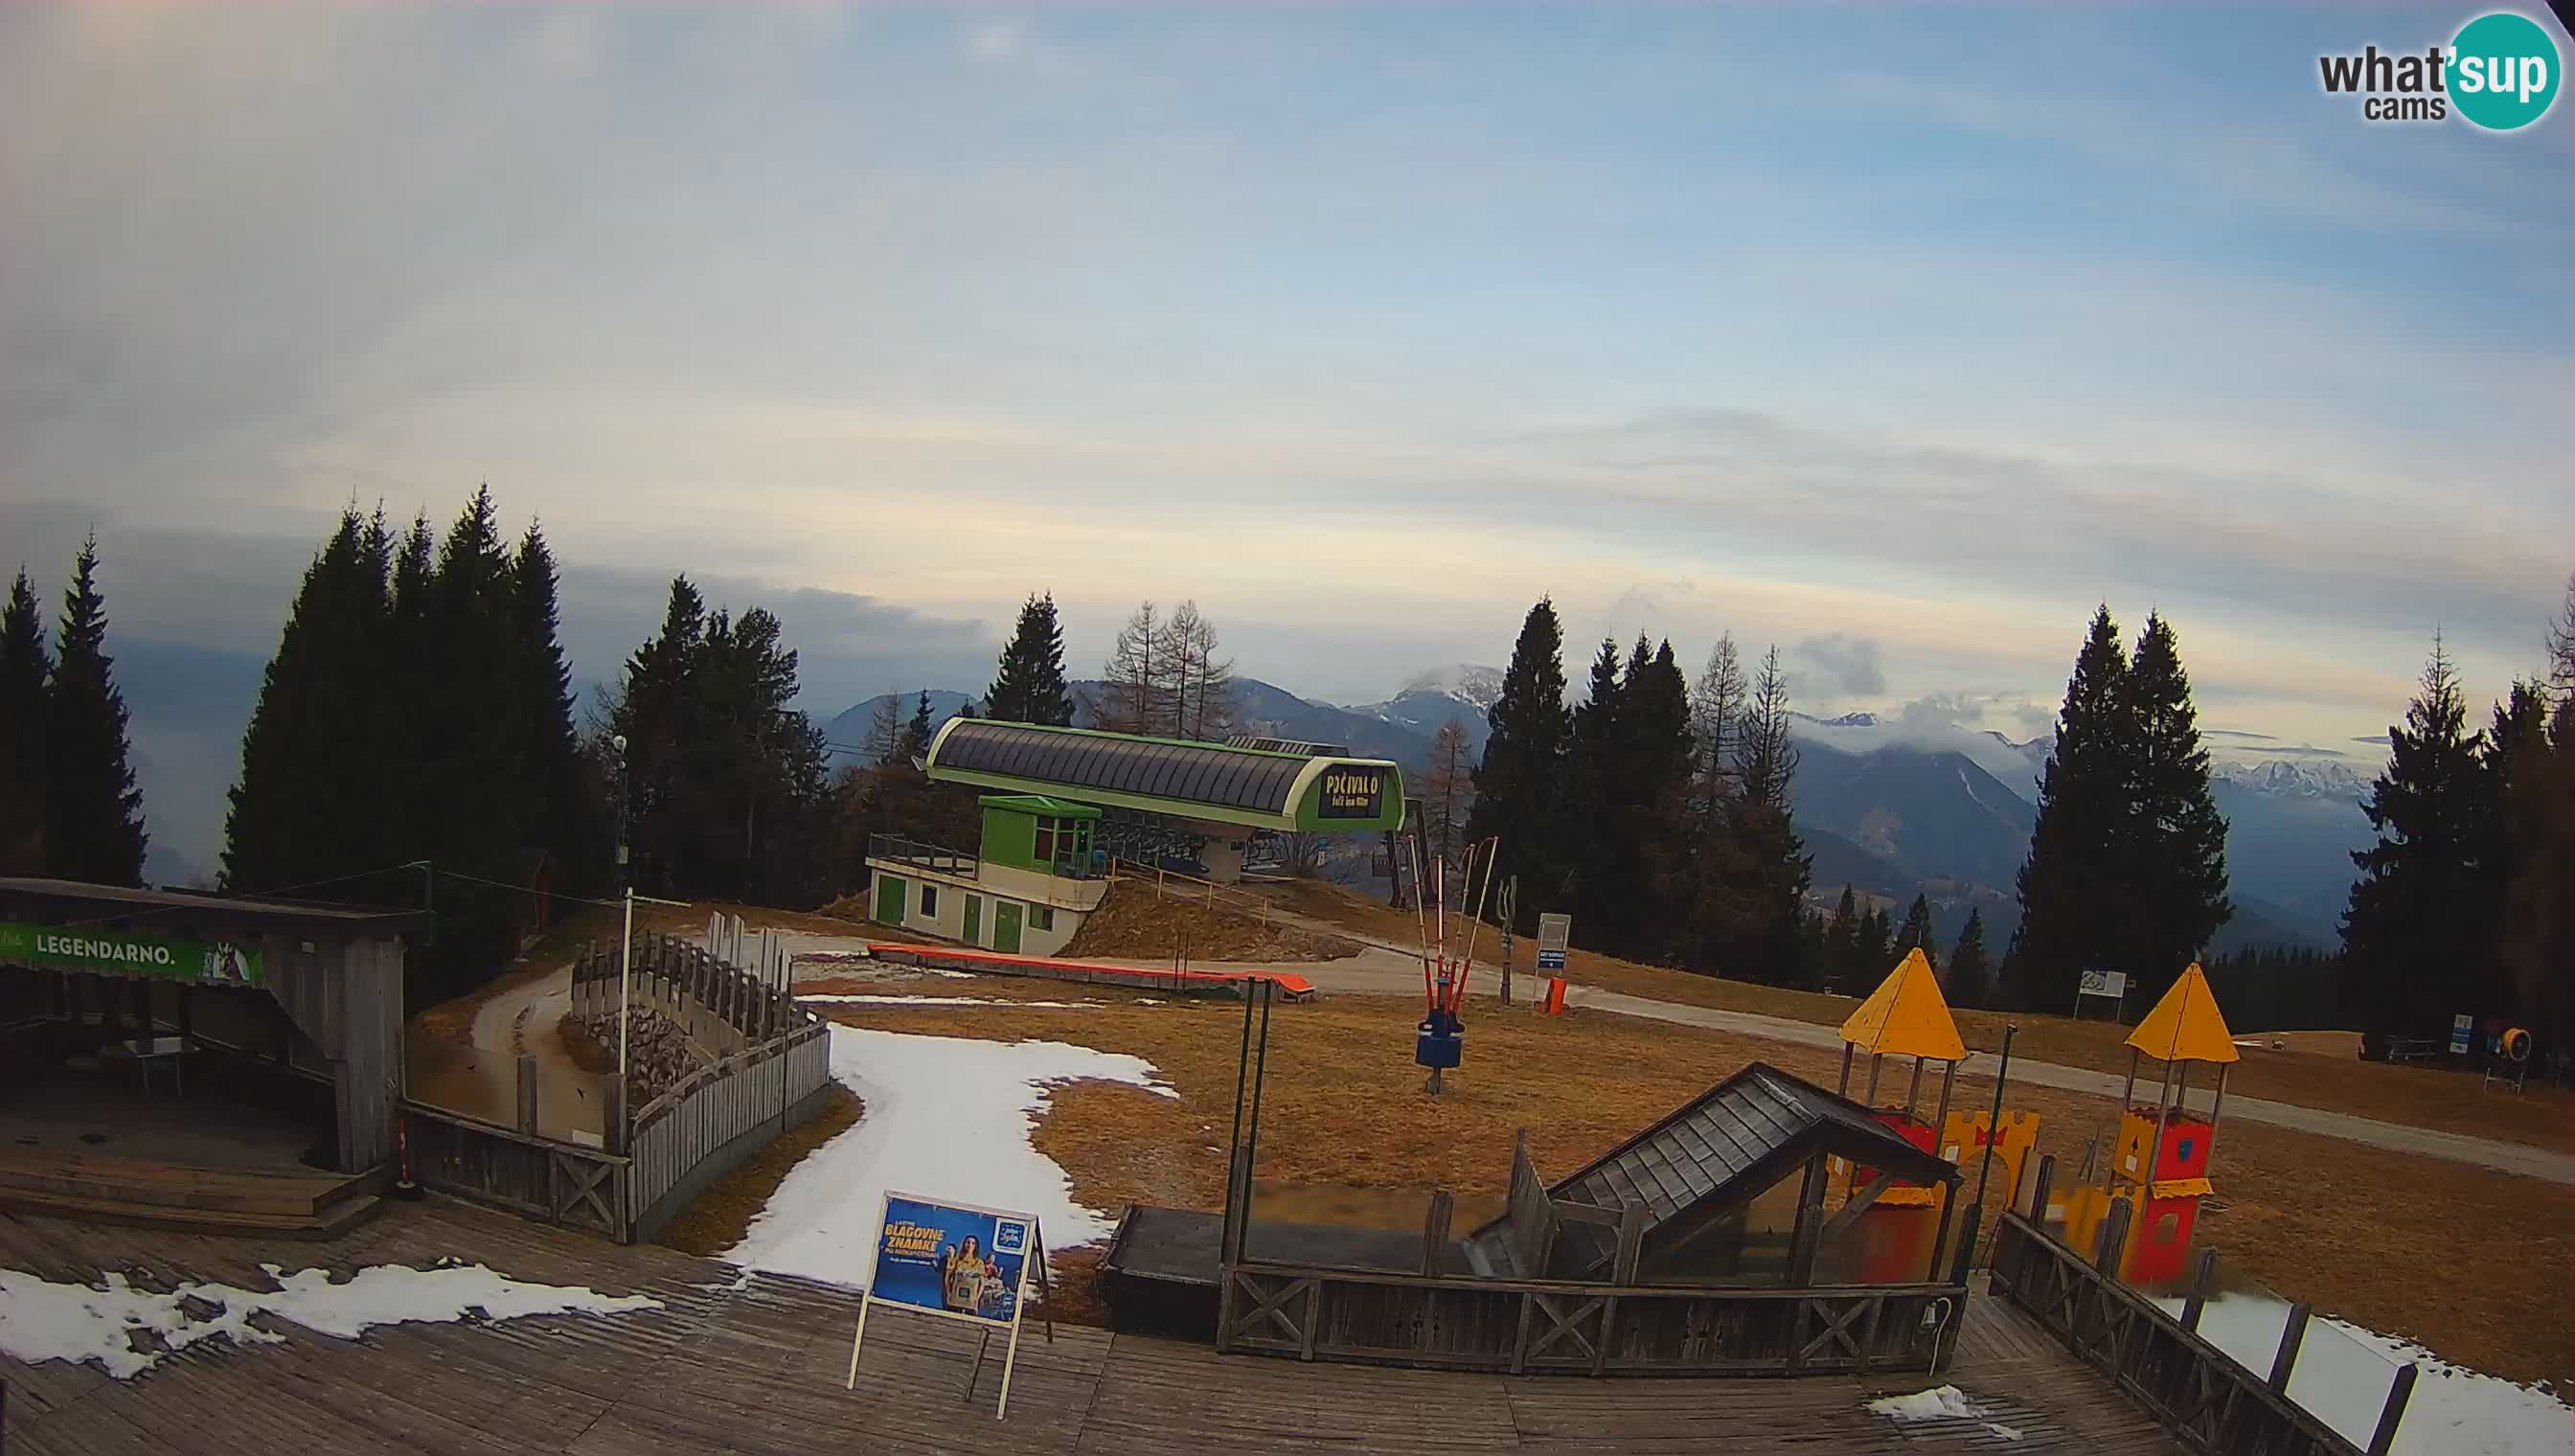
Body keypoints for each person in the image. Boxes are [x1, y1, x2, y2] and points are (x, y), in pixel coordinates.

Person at [943, 1235, 988, 1314]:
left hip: (970, 1303)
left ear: (975, 1246)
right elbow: (947, 1278)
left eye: (973, 1243)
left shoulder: (979, 1263)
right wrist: (949, 1294)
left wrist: (976, 1299)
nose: (970, 1245)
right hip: (955, 1301)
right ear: (964, 1244)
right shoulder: (956, 1260)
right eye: (968, 1242)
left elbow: (982, 1283)